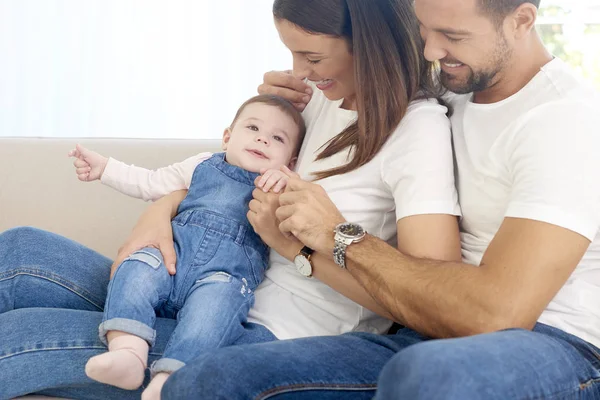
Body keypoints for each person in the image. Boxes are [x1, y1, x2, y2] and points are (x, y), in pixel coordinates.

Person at [0, 0, 461, 398]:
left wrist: (300, 249)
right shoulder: (322, 97)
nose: (299, 71)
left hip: (260, 331)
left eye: (311, 56)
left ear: (371, 44)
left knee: (14, 339)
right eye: (292, 54)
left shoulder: (417, 133)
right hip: (200, 276)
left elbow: (427, 302)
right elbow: (224, 177)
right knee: (19, 250)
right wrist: (160, 212)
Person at [157, 0, 600, 398]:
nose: (431, 52)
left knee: (424, 374)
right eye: (426, 30)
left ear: (521, 20)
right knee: (203, 378)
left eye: (453, 36)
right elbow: (374, 77)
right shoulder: (454, 85)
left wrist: (333, 235)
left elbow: (496, 315)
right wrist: (299, 95)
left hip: (553, 342)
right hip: (423, 329)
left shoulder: (564, 123)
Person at [68, 94, 305, 399]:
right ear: (227, 137)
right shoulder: (201, 164)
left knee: (214, 313)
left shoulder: (282, 188)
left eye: (277, 138)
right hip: (170, 262)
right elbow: (151, 182)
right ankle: (128, 351)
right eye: (253, 128)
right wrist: (105, 169)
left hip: (221, 279)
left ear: (292, 160)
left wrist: (287, 181)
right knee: (136, 266)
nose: (262, 139)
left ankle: (170, 379)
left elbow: (296, 226)